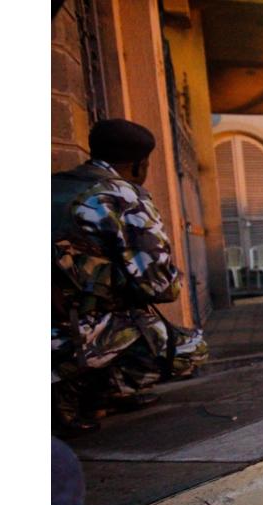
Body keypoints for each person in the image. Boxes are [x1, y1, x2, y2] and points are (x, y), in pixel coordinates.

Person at [52, 119, 208, 436]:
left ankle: (84, 389)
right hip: (74, 330)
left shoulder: (54, 186)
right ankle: (88, 394)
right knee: (190, 350)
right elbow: (162, 286)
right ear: (139, 164)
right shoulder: (124, 196)